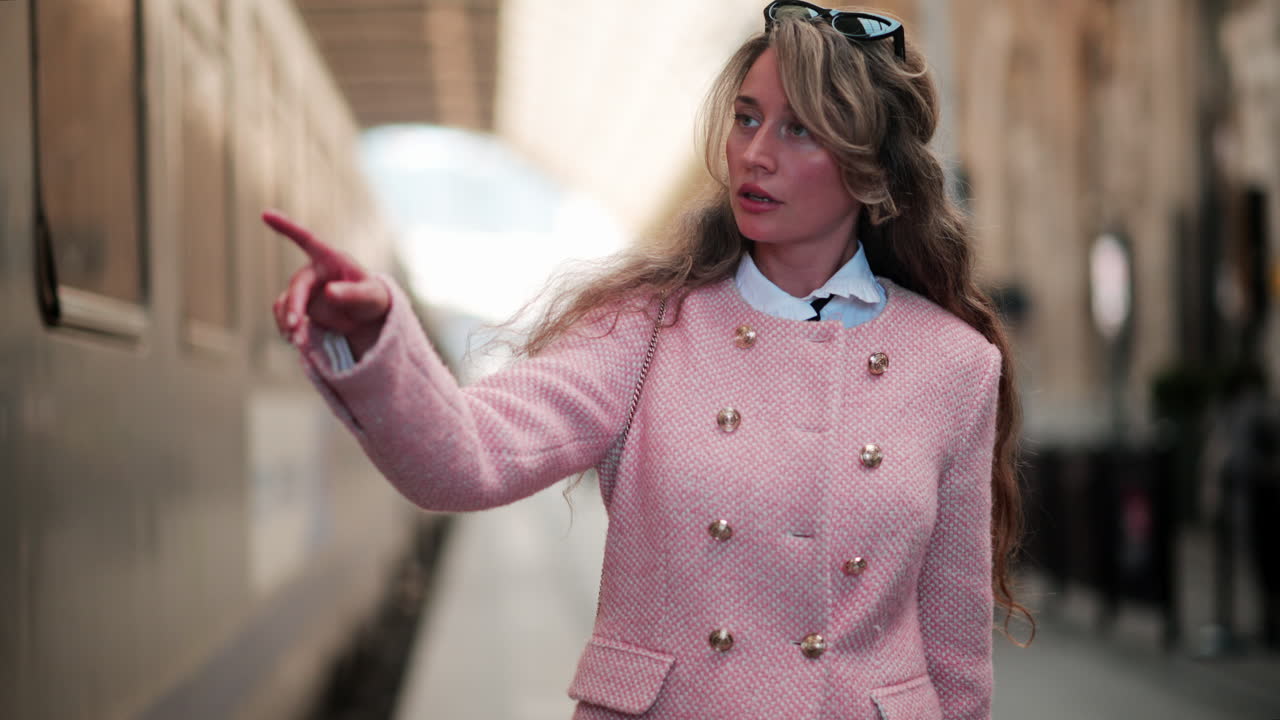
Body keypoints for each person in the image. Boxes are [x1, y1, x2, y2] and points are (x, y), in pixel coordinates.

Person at [266, 3, 1032, 718]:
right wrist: (375, 341)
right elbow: (466, 457)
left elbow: (956, 656)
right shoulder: (645, 330)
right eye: (746, 119)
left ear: (870, 169)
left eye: (799, 130)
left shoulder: (954, 366)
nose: (754, 155)